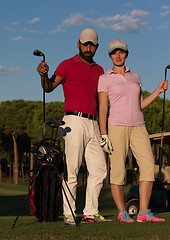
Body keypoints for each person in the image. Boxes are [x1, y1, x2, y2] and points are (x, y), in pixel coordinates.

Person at [37, 28, 110, 225]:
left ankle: (90, 212)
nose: (88, 47)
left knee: (100, 170)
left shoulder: (99, 70)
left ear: (96, 47)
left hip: (93, 122)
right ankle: (69, 213)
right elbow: (49, 87)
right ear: (78, 44)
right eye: (85, 44)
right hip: (73, 121)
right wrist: (43, 75)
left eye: (92, 44)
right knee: (72, 169)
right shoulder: (67, 64)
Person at [98, 39, 167, 222]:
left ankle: (144, 212)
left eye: (121, 52)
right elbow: (103, 108)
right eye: (114, 52)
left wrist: (158, 91)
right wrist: (103, 134)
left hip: (138, 126)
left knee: (147, 167)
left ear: (126, 54)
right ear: (110, 56)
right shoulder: (104, 78)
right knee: (118, 171)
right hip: (116, 127)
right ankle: (122, 212)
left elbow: (140, 104)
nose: (118, 55)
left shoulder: (135, 76)